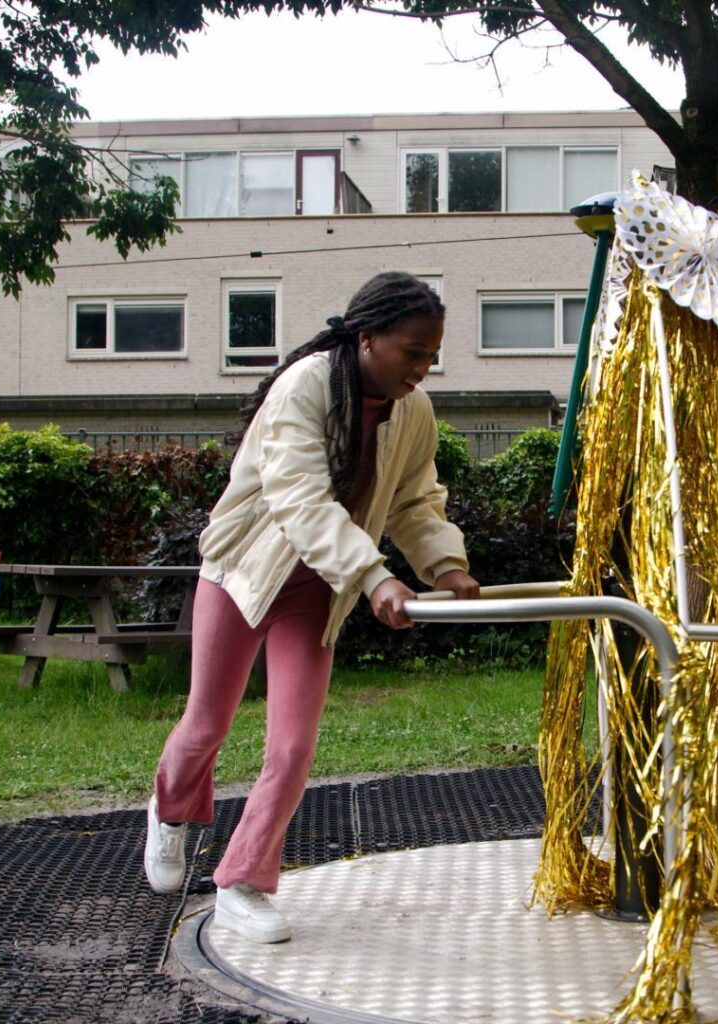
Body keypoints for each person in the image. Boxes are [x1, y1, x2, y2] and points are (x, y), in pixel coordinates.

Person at [144, 272, 479, 941]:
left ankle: (244, 882)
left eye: (431, 355)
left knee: (293, 745)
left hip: (319, 588)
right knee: (207, 724)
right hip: (243, 572)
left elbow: (415, 500)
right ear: (368, 337)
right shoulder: (305, 386)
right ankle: (170, 810)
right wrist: (376, 577)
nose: (423, 368)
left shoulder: (413, 411)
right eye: (413, 351)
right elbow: (296, 496)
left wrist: (446, 565)